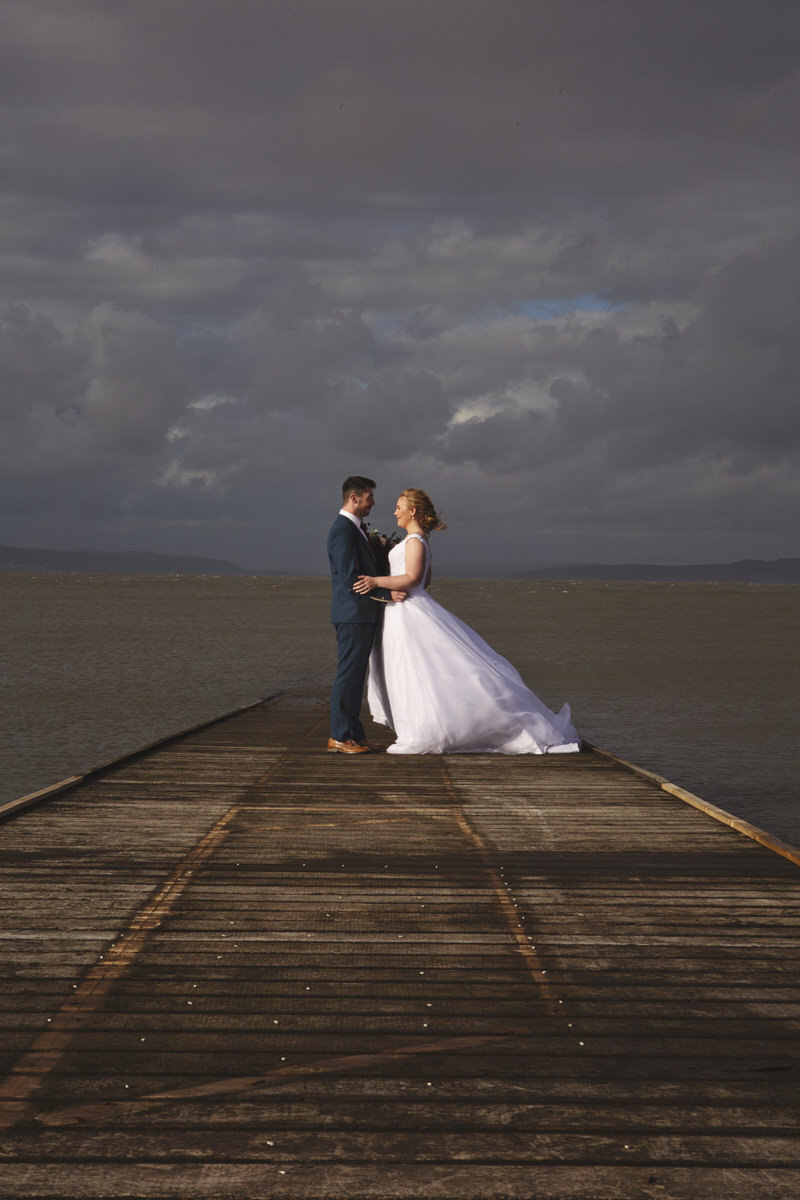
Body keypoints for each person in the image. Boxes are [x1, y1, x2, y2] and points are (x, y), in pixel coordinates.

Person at [354, 489, 581, 755]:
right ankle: (419, 726)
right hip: (405, 609)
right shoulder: (419, 539)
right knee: (413, 670)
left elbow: (415, 579)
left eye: (398, 506)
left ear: (412, 510)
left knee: (416, 669)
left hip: (407, 612)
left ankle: (425, 731)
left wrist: (376, 581)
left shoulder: (415, 540)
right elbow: (425, 583)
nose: (395, 512)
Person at [326, 475, 406, 754]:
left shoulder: (355, 529)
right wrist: (387, 594)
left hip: (360, 614)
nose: (373, 502)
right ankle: (339, 736)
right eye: (369, 496)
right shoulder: (342, 531)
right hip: (352, 615)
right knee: (348, 675)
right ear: (354, 498)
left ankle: (355, 735)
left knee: (356, 676)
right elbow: (351, 579)